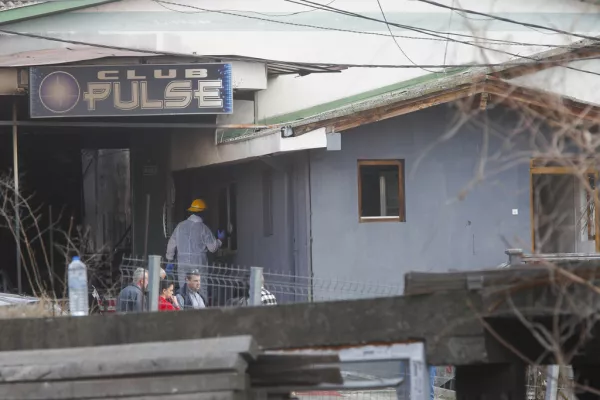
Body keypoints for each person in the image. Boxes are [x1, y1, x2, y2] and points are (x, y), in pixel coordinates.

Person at [166, 198, 225, 298]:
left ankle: (184, 310)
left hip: (182, 264)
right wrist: (220, 240)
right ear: (203, 213)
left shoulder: (180, 226)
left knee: (183, 290)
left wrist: (170, 260)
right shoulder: (203, 228)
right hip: (198, 265)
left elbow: (171, 244)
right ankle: (202, 311)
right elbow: (213, 248)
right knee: (201, 289)